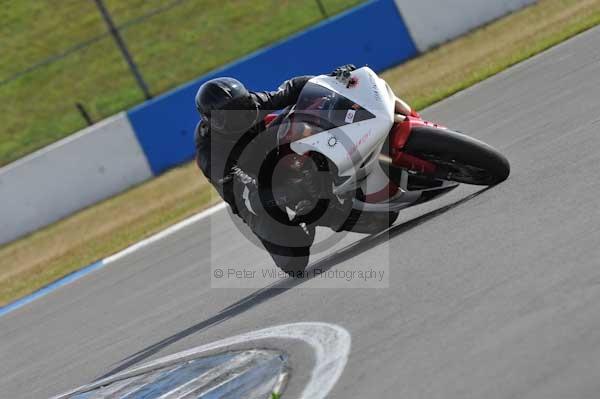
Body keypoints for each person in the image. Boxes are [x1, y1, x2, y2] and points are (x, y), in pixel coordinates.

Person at [194, 65, 358, 275]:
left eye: (242, 107)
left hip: (268, 148)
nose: (241, 116)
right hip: (252, 190)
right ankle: (317, 214)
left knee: (302, 115)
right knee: (294, 262)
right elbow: (247, 197)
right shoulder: (211, 153)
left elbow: (291, 89)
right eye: (229, 115)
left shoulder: (252, 104)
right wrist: (292, 192)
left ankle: (334, 165)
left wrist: (331, 78)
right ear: (209, 120)